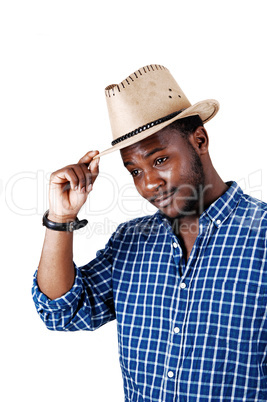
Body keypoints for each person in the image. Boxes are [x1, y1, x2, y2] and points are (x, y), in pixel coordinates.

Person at [32, 64, 267, 401]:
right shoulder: (130, 241)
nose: (149, 184)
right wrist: (61, 216)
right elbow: (61, 312)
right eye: (135, 171)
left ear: (199, 140)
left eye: (159, 160)